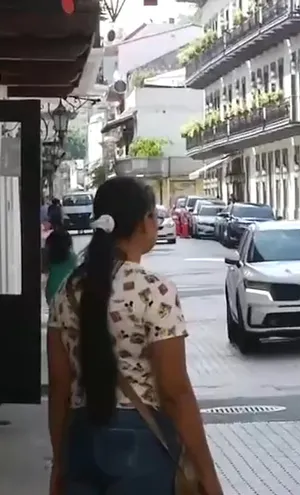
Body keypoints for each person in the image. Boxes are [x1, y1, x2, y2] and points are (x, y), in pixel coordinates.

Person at [46, 176, 223, 495]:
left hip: (80, 442)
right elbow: (174, 391)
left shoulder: (67, 291)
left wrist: (60, 463)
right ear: (144, 223)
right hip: (142, 446)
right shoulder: (155, 291)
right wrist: (207, 473)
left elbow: (59, 386)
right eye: (154, 215)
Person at [42, 225, 77, 303]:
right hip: (68, 290)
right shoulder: (72, 257)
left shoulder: (49, 257)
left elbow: (44, 270)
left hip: (52, 289)